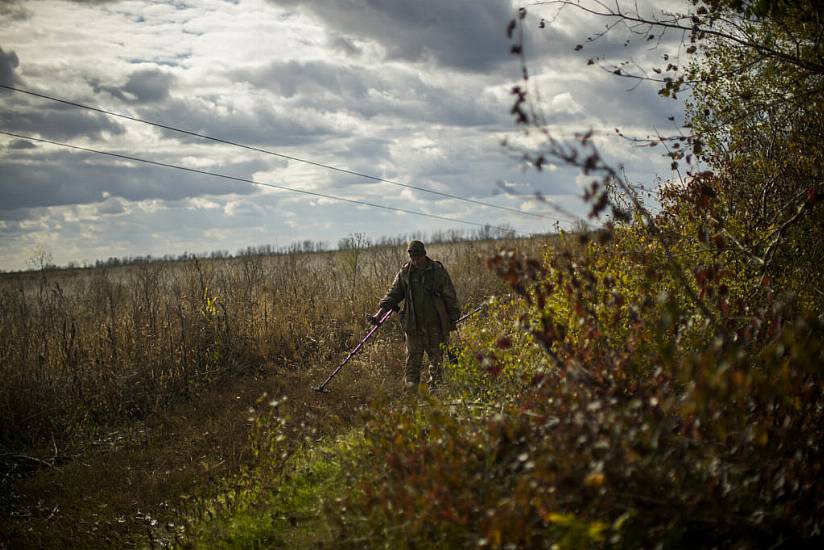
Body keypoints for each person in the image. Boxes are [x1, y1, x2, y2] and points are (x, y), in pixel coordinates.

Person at [370, 240, 461, 394]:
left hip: (436, 324)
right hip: (413, 326)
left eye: (418, 257)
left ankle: (435, 397)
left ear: (424, 254)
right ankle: (411, 398)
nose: (416, 261)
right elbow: (393, 294)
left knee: (436, 361)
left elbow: (449, 295)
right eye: (413, 258)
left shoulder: (437, 271)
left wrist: (453, 318)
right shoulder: (405, 273)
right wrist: (379, 314)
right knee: (412, 363)